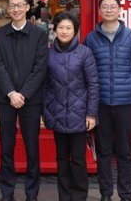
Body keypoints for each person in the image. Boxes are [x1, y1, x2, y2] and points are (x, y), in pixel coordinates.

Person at [83, 0, 131, 201]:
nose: (109, 10)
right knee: (103, 151)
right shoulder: (91, 38)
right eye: (105, 7)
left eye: (113, 7)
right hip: (100, 103)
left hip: (125, 102)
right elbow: (86, 69)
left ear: (119, 11)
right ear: (99, 11)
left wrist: (128, 84)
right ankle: (106, 193)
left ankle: (125, 194)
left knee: (124, 151)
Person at [0, 0, 48, 201]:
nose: (16, 9)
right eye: (12, 6)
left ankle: (32, 194)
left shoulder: (39, 34)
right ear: (8, 9)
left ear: (27, 8)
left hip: (31, 100)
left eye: (19, 5)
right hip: (6, 98)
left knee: (32, 148)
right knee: (6, 147)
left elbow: (40, 68)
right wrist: (11, 92)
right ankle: (7, 193)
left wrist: (23, 94)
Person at [43, 12, 99, 201]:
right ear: (55, 30)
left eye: (68, 28)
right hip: (57, 114)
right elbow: (44, 86)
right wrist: (46, 112)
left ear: (75, 31)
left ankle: (79, 196)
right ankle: (64, 196)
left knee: (78, 159)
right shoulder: (48, 54)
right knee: (61, 158)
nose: (64, 31)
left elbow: (93, 85)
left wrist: (91, 114)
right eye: (60, 27)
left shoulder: (85, 53)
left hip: (79, 115)